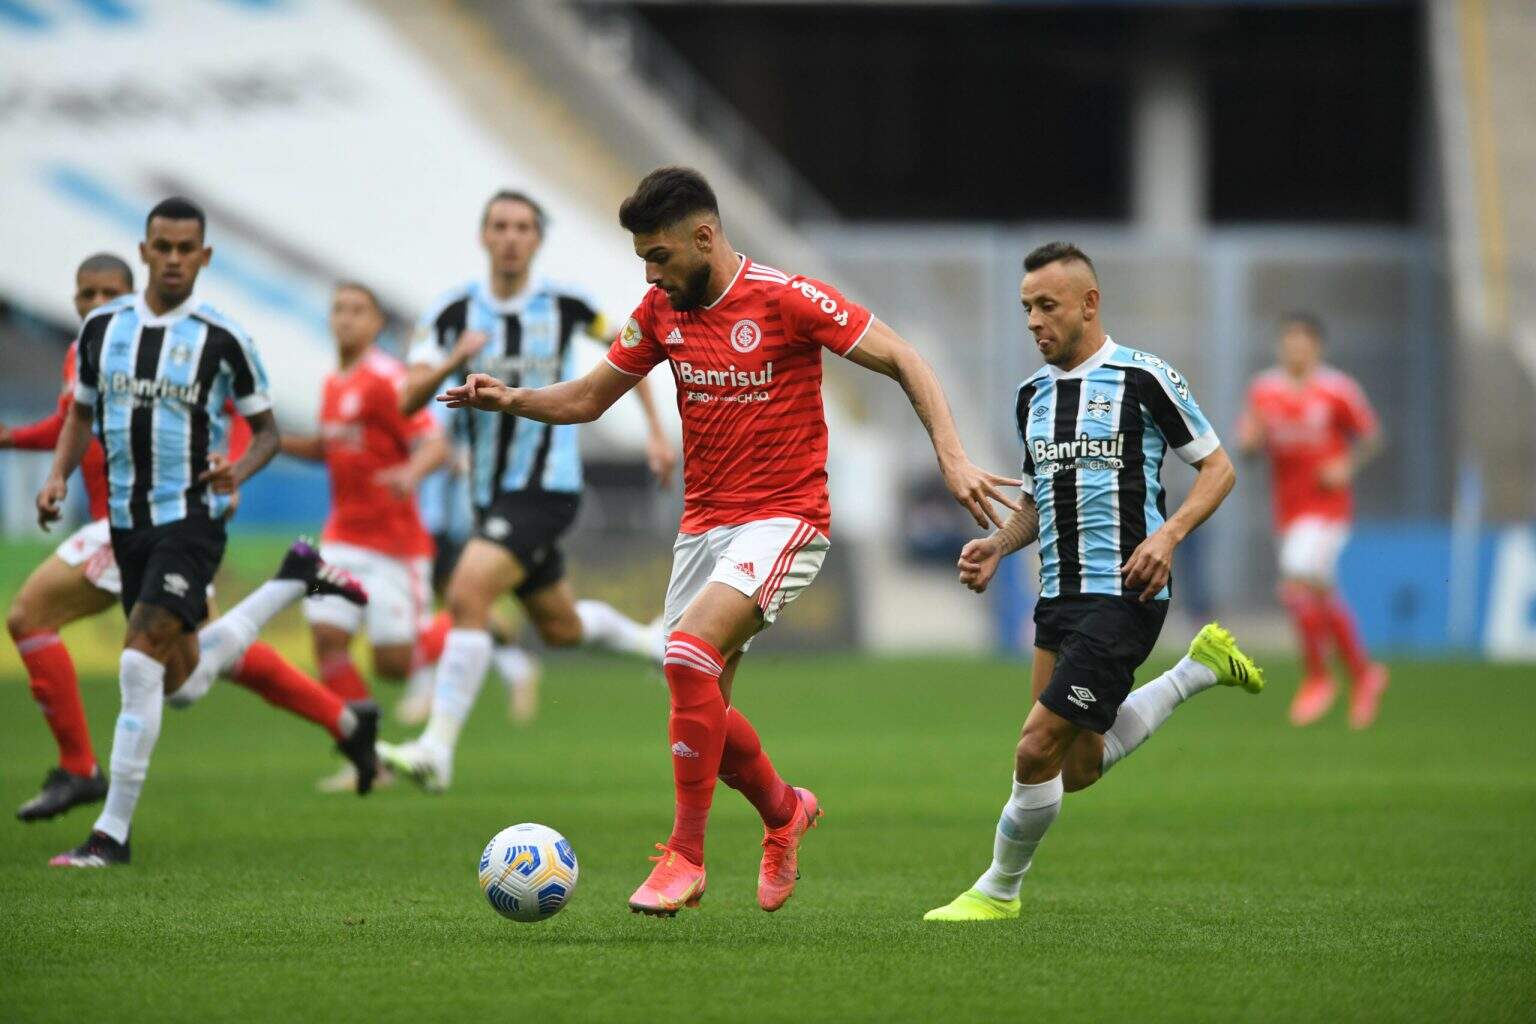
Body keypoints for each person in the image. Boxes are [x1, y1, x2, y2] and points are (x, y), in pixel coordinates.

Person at [438, 166, 1019, 915]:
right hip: (704, 527)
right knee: (699, 705)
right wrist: (512, 398)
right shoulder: (659, 309)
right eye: (644, 258)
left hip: (786, 517)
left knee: (683, 657)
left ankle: (684, 858)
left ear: (704, 238)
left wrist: (952, 458)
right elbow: (587, 397)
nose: (650, 272)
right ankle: (784, 813)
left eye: (659, 255)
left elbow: (905, 358)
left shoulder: (785, 298)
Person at [924, 242, 1265, 922]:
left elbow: (1220, 468)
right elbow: (1036, 501)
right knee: (1071, 768)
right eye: (1026, 310)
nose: (1034, 322)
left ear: (1089, 303)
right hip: (1058, 599)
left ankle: (997, 891)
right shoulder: (1032, 397)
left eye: (1047, 306)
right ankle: (1196, 670)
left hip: (1126, 595)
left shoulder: (1145, 378)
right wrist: (998, 546)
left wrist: (1166, 537)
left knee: (1032, 746)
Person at [35, 199, 373, 868]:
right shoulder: (103, 328)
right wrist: (55, 478)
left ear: (204, 257)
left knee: (137, 663)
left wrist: (236, 469)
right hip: (127, 523)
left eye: (185, 248)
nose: (172, 258)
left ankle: (110, 836)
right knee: (180, 684)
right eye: (161, 246)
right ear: (144, 251)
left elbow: (269, 430)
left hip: (190, 519)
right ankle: (292, 578)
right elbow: (78, 413)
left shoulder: (224, 338)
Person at [379, 189, 676, 791]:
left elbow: (633, 348)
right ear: (484, 236)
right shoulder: (450, 313)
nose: (511, 236)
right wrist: (452, 362)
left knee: (467, 594)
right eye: (500, 226)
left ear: (536, 240)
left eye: (522, 227)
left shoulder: (566, 305)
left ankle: (437, 750)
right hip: (488, 494)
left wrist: (653, 432)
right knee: (560, 626)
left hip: (548, 486)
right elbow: (408, 399)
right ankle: (654, 642)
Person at [277, 282, 456, 789]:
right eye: (339, 309)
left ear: (377, 323)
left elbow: (434, 444)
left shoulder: (387, 378)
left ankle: (466, 627)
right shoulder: (334, 382)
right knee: (328, 642)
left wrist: (411, 474)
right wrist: (275, 443)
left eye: (358, 310)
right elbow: (329, 450)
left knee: (393, 664)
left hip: (395, 547)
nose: (346, 318)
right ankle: (369, 761)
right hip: (340, 540)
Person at [1238, 314, 1387, 728]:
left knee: (1297, 577)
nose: (1295, 349)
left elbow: (1372, 435)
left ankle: (1319, 678)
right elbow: (1249, 445)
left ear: (1317, 347)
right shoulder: (1264, 390)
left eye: (1303, 342)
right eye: (1289, 341)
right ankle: (1363, 674)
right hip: (1287, 510)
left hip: (1328, 509)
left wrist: (1345, 465)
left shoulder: (1337, 389)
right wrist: (1250, 442)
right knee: (1316, 591)